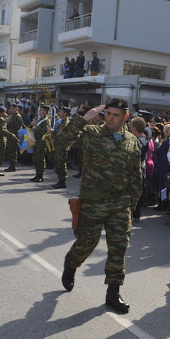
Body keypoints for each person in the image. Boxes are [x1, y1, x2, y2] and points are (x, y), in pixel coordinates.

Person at [56, 99, 142, 314]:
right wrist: (84, 118)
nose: (111, 118)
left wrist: (132, 204)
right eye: (108, 114)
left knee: (119, 247)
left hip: (120, 204)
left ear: (125, 117)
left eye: (116, 115)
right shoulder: (91, 133)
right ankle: (71, 264)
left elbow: (135, 175)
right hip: (93, 202)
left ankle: (113, 292)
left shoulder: (132, 141)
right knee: (87, 243)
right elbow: (62, 138)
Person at [30, 105, 52, 182]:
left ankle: (40, 175)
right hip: (36, 141)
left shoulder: (46, 121)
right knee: (36, 158)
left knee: (40, 159)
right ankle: (37, 174)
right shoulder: (40, 120)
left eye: (41, 110)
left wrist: (35, 126)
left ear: (45, 112)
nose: (39, 111)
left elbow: (43, 131)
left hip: (41, 142)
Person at [52, 106, 71, 189]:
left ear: (65, 114)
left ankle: (62, 181)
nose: (59, 113)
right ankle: (60, 180)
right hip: (58, 145)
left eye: (61, 112)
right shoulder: (61, 122)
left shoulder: (66, 123)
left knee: (61, 163)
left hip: (62, 146)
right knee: (57, 163)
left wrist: (53, 132)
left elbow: (61, 135)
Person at [4, 104, 22, 172]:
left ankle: (13, 165)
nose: (10, 110)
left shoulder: (18, 117)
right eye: (10, 108)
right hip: (10, 135)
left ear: (16, 109)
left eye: (12, 108)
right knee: (9, 151)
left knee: (13, 151)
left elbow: (17, 126)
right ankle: (11, 165)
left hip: (14, 136)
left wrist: (8, 122)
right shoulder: (11, 116)